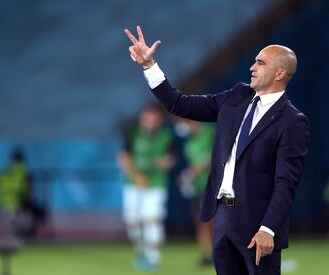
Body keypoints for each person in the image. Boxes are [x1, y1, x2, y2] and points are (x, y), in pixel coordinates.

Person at [124, 26, 310, 275]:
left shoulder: (292, 121)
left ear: (280, 73)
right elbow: (180, 104)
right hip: (222, 216)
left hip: (257, 224)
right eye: (254, 61)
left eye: (260, 63)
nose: (252, 67)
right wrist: (149, 66)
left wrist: (268, 229)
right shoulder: (237, 96)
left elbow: (286, 182)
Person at [117, 103, 174, 271]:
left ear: (160, 120)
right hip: (133, 183)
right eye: (147, 118)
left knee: (152, 219)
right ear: (142, 118)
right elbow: (123, 157)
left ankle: (153, 258)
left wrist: (158, 165)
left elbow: (169, 159)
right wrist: (137, 175)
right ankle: (141, 251)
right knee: (132, 221)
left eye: (154, 119)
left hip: (155, 183)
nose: (150, 122)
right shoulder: (132, 132)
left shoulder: (166, 135)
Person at [177, 118, 214, 267]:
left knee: (218, 222)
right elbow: (193, 166)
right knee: (201, 222)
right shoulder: (188, 143)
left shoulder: (211, 133)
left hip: (216, 185)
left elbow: (219, 152)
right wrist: (186, 177)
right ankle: (206, 256)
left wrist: (199, 166)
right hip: (199, 187)